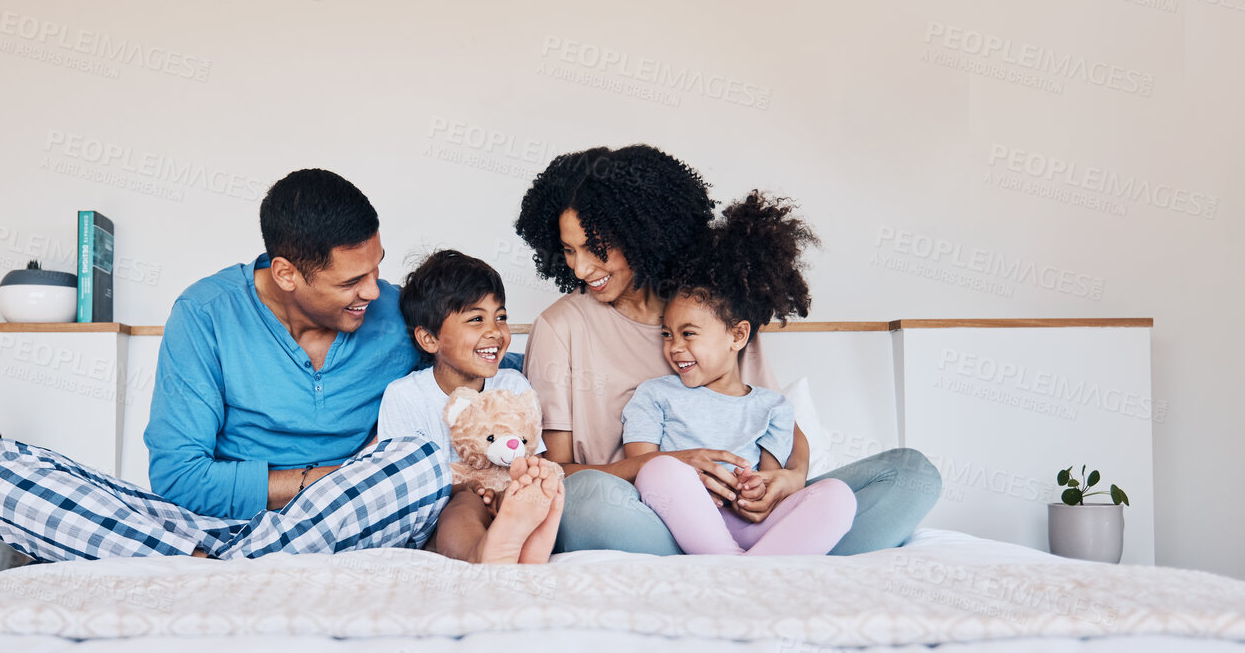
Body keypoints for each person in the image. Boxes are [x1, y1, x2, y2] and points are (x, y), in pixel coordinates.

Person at [0, 169, 451, 560]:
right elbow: (180, 479)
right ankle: (215, 562)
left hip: (343, 520)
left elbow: (485, 363)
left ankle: (194, 570)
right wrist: (330, 478)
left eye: (376, 267)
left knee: (423, 466)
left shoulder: (401, 314)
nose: (373, 289)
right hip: (206, 528)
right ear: (286, 274)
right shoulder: (205, 312)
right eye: (350, 282)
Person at [515, 144, 942, 555]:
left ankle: (761, 554)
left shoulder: (716, 312)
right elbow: (556, 473)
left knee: (913, 473)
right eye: (569, 250)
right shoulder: (560, 327)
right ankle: (776, 555)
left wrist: (791, 479)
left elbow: (775, 418)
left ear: (641, 235)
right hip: (646, 517)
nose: (580, 267)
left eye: (595, 248)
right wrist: (674, 465)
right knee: (585, 499)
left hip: (748, 511)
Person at [625, 192, 857, 555]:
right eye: (667, 335)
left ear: (737, 335)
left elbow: (769, 478)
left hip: (750, 526)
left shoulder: (772, 407)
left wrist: (756, 488)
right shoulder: (655, 395)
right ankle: (742, 569)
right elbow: (638, 466)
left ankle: (741, 569)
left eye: (688, 334)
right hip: (682, 524)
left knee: (838, 495)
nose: (674, 347)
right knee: (660, 471)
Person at [376, 249, 563, 563]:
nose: (495, 331)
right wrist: (468, 490)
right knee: (463, 506)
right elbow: (401, 485)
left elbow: (532, 458)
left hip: (507, 498)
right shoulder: (405, 396)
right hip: (442, 514)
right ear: (429, 339)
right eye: (476, 319)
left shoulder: (513, 384)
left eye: (500, 317)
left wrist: (513, 491)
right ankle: (483, 554)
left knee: (534, 489)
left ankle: (523, 542)